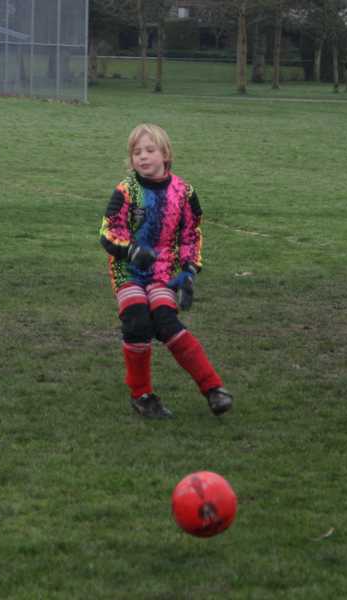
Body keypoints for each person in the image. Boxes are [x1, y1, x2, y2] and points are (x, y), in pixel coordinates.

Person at [99, 123, 233, 419]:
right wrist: (131, 250)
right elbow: (108, 231)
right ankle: (142, 396)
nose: (143, 156)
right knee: (137, 319)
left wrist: (188, 271)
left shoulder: (184, 192)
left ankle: (213, 389)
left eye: (150, 150)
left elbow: (191, 235)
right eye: (137, 152)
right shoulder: (126, 191)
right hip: (127, 270)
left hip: (164, 272)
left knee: (165, 320)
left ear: (166, 154)